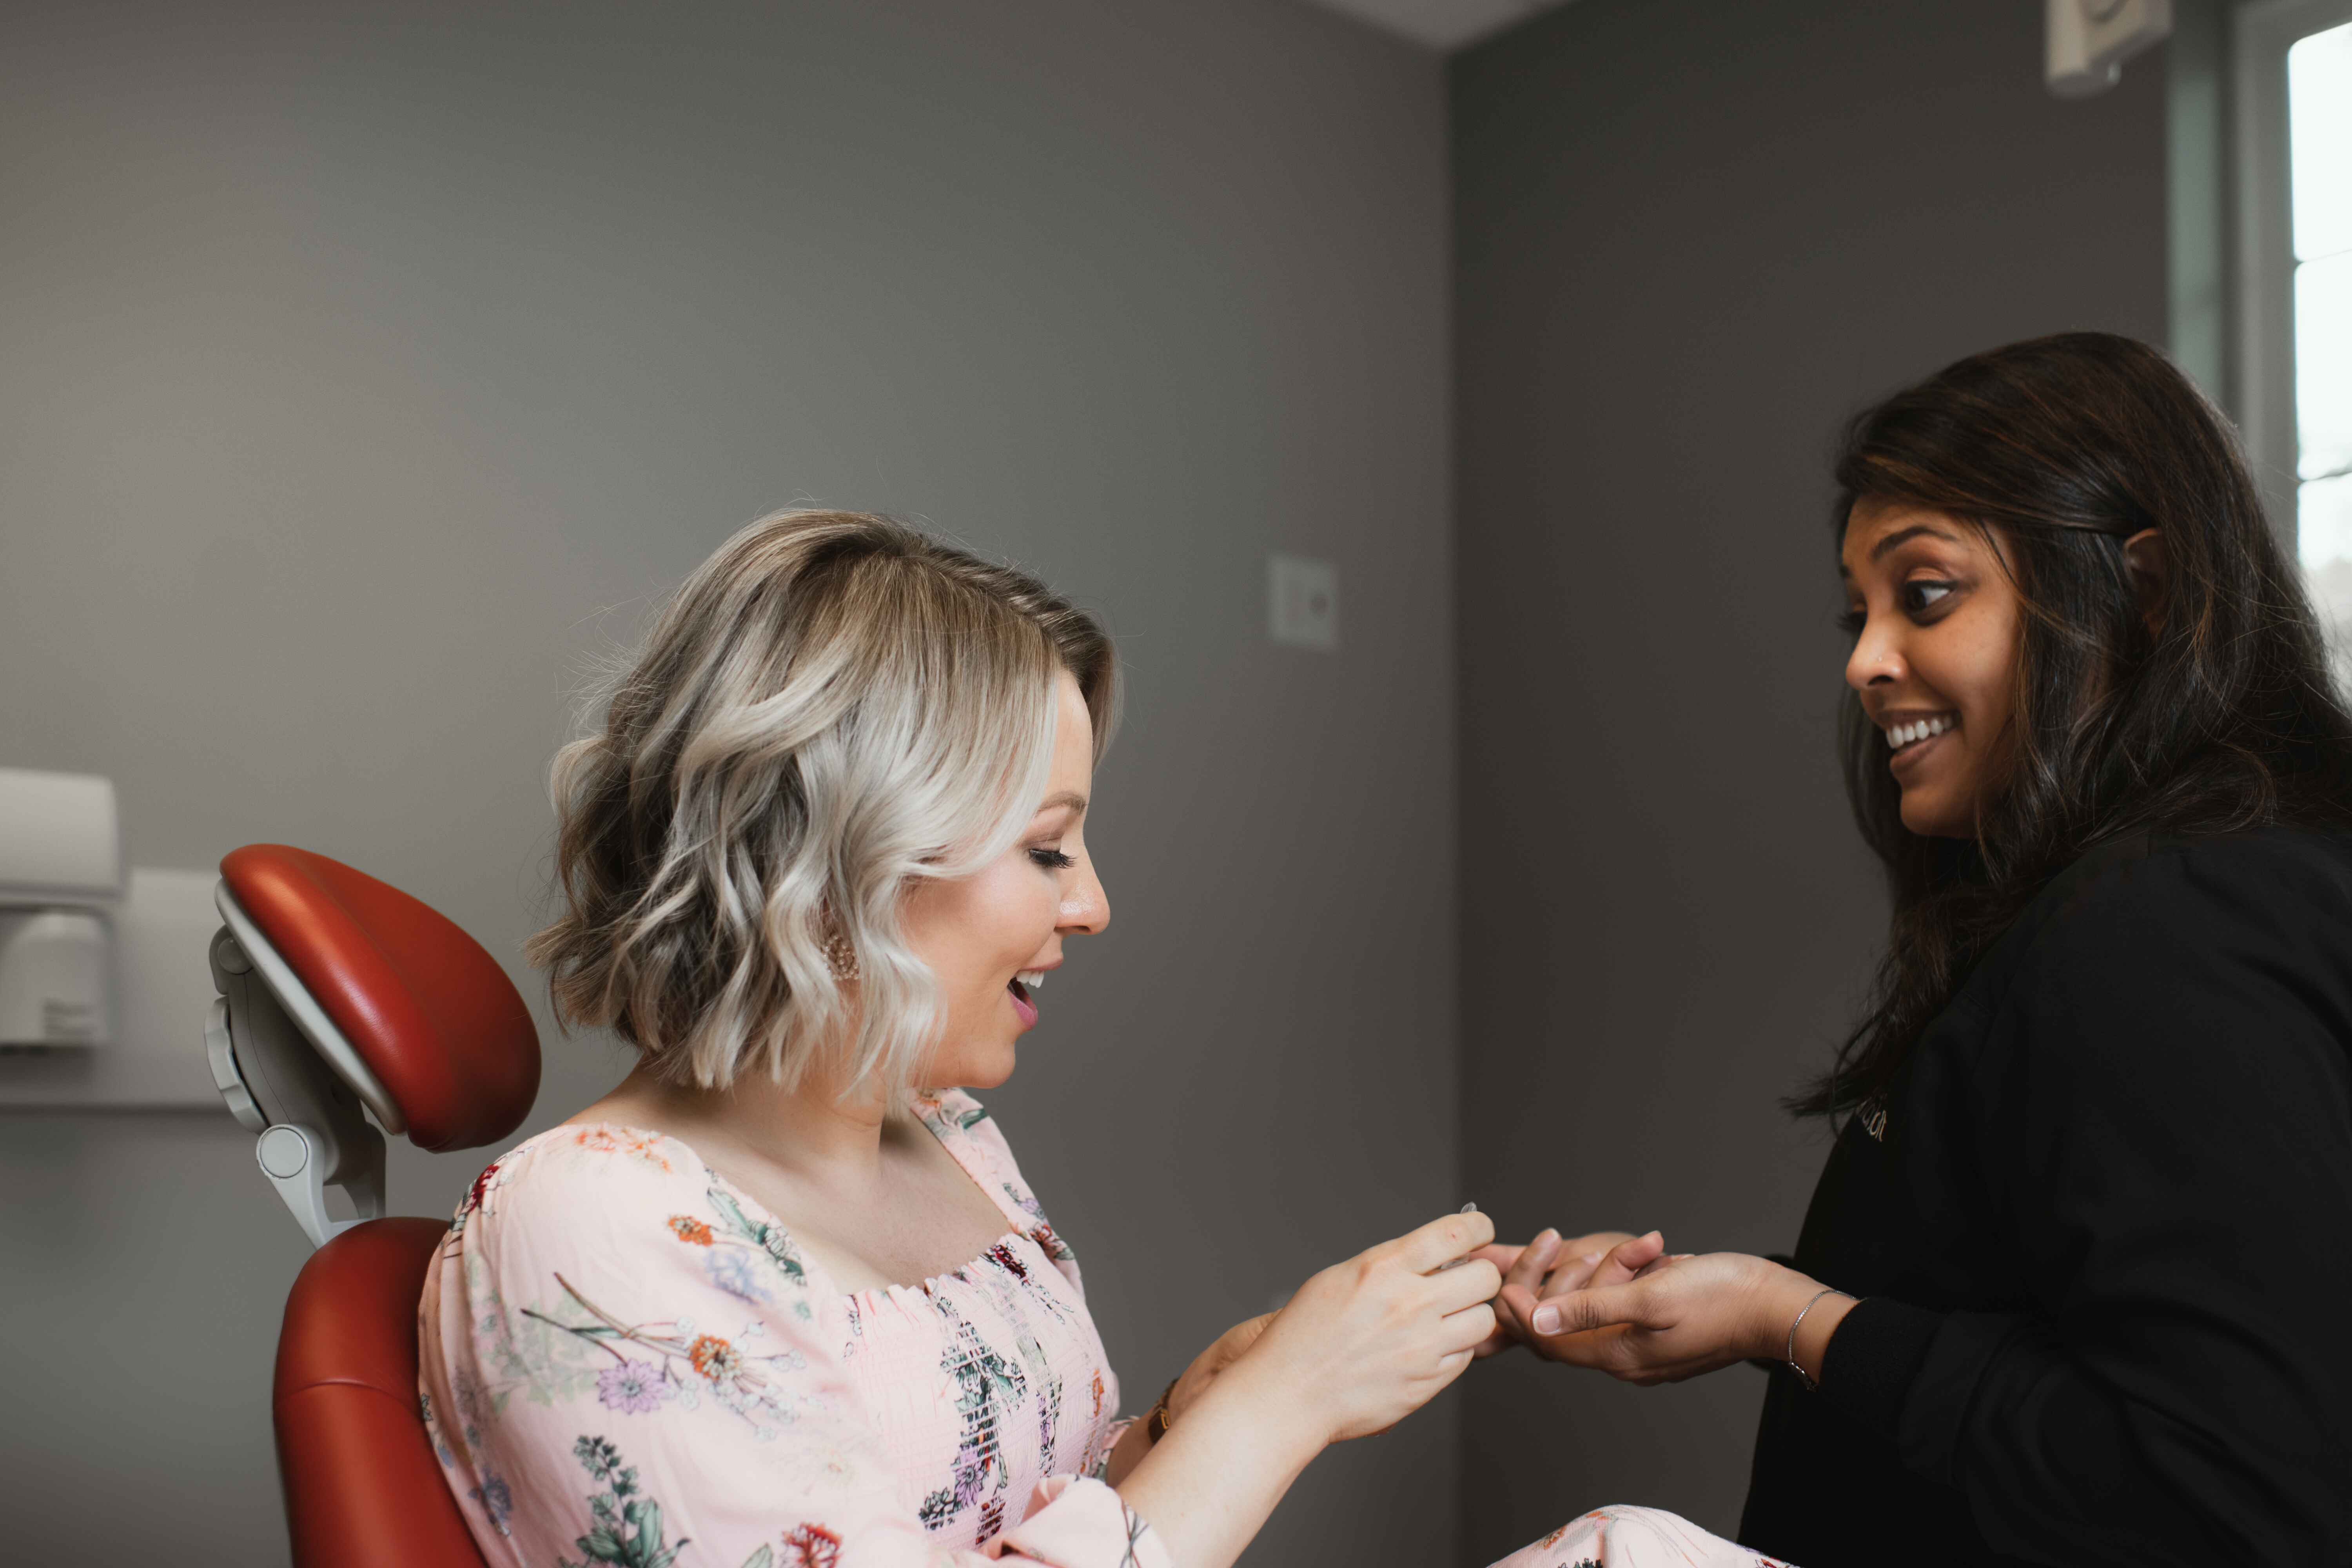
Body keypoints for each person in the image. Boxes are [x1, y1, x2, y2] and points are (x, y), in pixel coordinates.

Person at [418, 512, 1762, 1568]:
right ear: (843, 860)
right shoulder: (591, 1234)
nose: (1095, 902)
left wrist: (1209, 1401)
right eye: (1049, 846)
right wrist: (1278, 1409)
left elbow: (1006, 1516)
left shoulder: (943, 1140)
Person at [1496, 334, 2352, 1566]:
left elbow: (2229, 1491)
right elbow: (2072, 1318)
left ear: (2147, 595)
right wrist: (1747, 1305)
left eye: (1929, 594)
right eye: (1860, 611)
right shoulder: (2219, 887)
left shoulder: (2167, 930)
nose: (1862, 661)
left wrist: (1792, 1319)